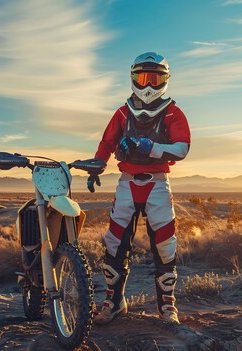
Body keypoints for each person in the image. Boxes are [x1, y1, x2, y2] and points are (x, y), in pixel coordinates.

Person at [86, 52, 191, 325]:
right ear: (133, 78)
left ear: (165, 80)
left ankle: (167, 306)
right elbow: (107, 142)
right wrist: (97, 166)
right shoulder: (123, 112)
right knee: (114, 243)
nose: (148, 86)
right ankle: (113, 301)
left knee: (166, 245)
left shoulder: (172, 111)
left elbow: (182, 147)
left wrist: (151, 148)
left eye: (155, 79)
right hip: (127, 183)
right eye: (143, 78)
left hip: (156, 182)